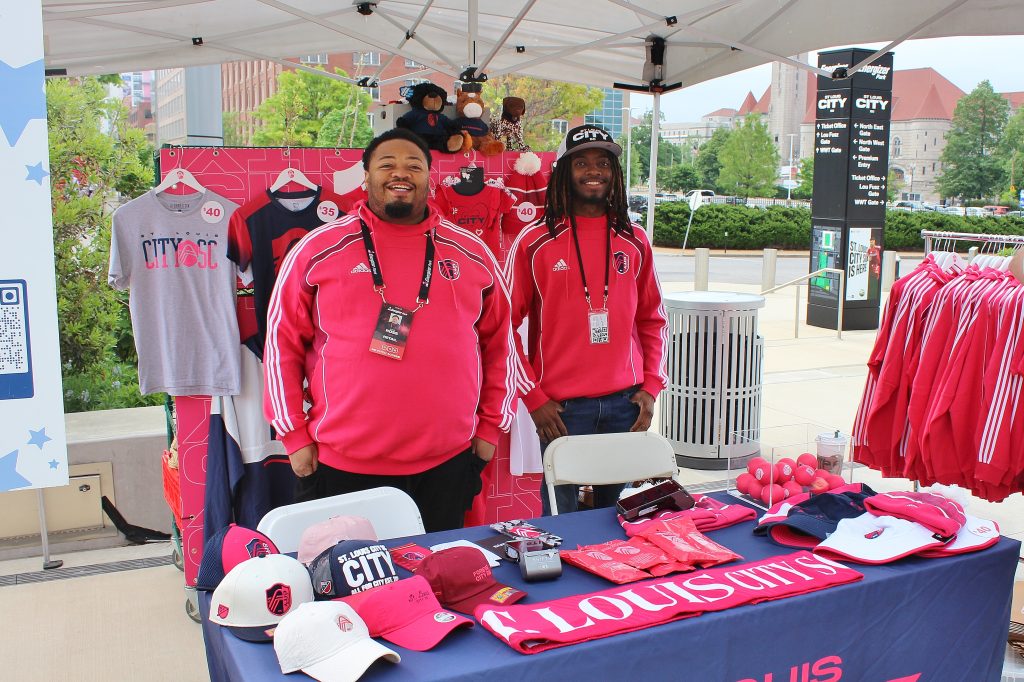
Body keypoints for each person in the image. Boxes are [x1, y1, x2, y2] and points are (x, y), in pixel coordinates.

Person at [263, 128, 516, 532]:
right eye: (387, 164)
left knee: (440, 569)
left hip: (448, 464)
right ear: (366, 176)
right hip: (342, 465)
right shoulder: (317, 248)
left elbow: (501, 345)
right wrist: (293, 436)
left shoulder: (472, 251)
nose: (401, 173)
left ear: (430, 178)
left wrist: (489, 429)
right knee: (349, 573)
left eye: (414, 165)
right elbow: (281, 344)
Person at [506, 124, 669, 515]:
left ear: (615, 173)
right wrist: (534, 398)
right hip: (562, 411)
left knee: (618, 520)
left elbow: (653, 320)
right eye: (581, 163)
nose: (594, 171)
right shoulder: (533, 241)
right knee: (561, 521)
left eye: (603, 163)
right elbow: (502, 328)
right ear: (564, 171)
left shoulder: (635, 239)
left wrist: (651, 387)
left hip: (626, 404)